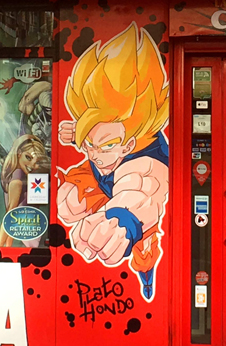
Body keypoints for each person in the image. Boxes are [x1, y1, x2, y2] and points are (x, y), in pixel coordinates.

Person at [57, 23, 169, 301]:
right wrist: (77, 135)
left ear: (129, 144)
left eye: (106, 145)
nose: (95, 153)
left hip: (128, 203)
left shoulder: (147, 161)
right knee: (67, 203)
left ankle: (146, 278)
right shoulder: (101, 136)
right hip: (100, 180)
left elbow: (141, 189)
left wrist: (120, 221)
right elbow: (100, 134)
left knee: (144, 253)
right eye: (88, 144)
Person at [0, 134, 49, 247]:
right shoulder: (18, 178)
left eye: (37, 162)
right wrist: (1, 248)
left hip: (26, 228)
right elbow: (9, 218)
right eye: (28, 158)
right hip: (27, 229)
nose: (32, 165)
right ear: (19, 153)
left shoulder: (18, 174)